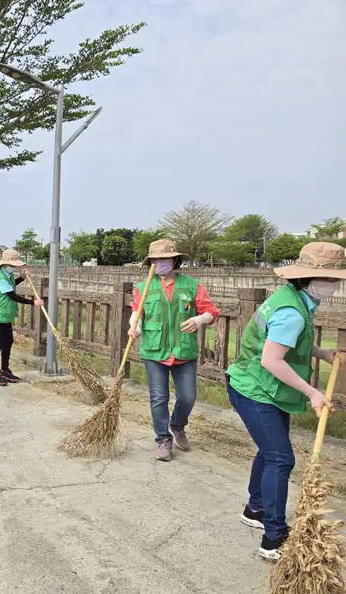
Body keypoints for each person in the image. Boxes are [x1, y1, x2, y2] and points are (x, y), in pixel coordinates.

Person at [226, 241, 344, 561]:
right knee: (281, 459)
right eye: (332, 279)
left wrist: (322, 353)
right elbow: (272, 360)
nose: (336, 285)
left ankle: (256, 509)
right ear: (309, 278)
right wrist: (312, 392)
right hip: (255, 388)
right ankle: (274, 539)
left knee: (271, 451)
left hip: (261, 385)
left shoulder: (296, 299)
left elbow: (286, 346)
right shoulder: (292, 310)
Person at [128, 239, 219, 462]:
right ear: (151, 262)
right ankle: (162, 439)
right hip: (154, 350)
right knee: (158, 397)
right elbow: (137, 313)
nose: (161, 263)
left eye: (165, 258)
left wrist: (199, 319)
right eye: (156, 259)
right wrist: (135, 327)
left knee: (188, 396)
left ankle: (177, 426)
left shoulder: (191, 285)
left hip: (183, 350)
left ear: (174, 260)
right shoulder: (143, 287)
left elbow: (211, 312)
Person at [0, 249, 42, 386]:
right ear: (4, 264)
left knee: (8, 341)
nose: (14, 268)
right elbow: (12, 295)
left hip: (5, 314)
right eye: (13, 265)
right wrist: (33, 302)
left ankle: (4, 369)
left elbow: (12, 285)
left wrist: (21, 277)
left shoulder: (7, 275)